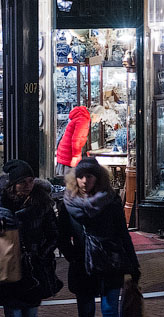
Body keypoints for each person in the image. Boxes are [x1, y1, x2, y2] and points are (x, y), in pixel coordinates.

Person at [57, 158, 140, 317]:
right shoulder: (68, 205)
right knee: (86, 310)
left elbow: (123, 234)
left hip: (110, 262)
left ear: (98, 178)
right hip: (82, 265)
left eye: (89, 176)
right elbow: (62, 236)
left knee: (110, 311)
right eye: (80, 176)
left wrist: (133, 265)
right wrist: (73, 256)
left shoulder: (110, 201)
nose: (84, 181)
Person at [0, 160, 62, 316]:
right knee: (13, 310)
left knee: (31, 311)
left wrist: (41, 254)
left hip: (34, 268)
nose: (28, 185)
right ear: (13, 184)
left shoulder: (41, 204)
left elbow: (53, 233)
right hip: (10, 267)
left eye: (31, 181)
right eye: (22, 182)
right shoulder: (3, 207)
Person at [56, 105, 92, 174]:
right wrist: (76, 156)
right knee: (69, 179)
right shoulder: (83, 120)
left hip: (64, 152)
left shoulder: (79, 118)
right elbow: (76, 140)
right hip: (69, 154)